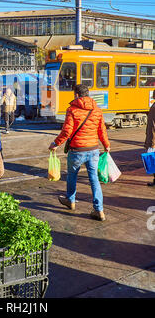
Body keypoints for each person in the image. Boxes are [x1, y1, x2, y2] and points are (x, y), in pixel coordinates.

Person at [49, 84, 110, 222]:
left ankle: (71, 201)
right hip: (94, 149)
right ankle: (99, 209)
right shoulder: (97, 110)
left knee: (72, 176)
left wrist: (55, 143)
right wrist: (107, 145)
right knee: (94, 179)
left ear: (76, 94)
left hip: (77, 150)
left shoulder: (72, 110)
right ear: (88, 94)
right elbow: (102, 130)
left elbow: (67, 131)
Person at [144, 89, 155, 187]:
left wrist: (150, 142)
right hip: (152, 139)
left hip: (153, 140)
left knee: (152, 161)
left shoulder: (154, 107)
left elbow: (152, 127)